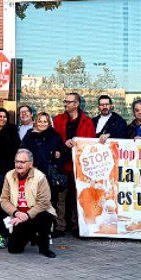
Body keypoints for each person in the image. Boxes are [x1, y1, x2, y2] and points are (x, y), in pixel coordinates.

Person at [0, 149, 57, 258]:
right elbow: (4, 200)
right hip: (18, 215)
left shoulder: (40, 177)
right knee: (13, 249)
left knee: (45, 217)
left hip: (36, 214)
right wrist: (16, 213)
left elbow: (44, 201)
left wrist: (27, 215)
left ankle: (44, 247)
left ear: (30, 164)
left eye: (22, 162)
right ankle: (33, 237)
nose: (18, 165)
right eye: (17, 161)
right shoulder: (9, 176)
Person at [52, 92, 95, 237]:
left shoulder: (87, 122)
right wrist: (63, 144)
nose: (66, 104)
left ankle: (78, 226)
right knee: (61, 198)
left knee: (79, 196)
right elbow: (54, 138)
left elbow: (91, 144)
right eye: (65, 101)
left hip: (80, 165)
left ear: (76, 104)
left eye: (69, 102)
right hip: (63, 164)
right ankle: (60, 226)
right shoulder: (58, 120)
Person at [22, 112, 67, 231]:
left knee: (50, 201)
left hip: (49, 174)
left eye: (45, 121)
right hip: (33, 173)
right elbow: (22, 151)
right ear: (36, 122)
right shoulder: (29, 135)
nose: (42, 123)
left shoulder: (54, 135)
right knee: (33, 200)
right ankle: (33, 227)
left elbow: (63, 153)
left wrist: (57, 161)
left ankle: (50, 228)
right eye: (40, 121)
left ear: (49, 123)